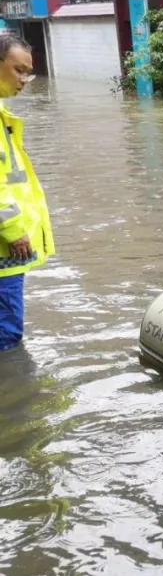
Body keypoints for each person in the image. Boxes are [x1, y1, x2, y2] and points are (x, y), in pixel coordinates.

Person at [0, 35, 52, 352]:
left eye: (28, 73)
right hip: (6, 251)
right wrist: (16, 230)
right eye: (18, 70)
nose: (24, 80)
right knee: (7, 336)